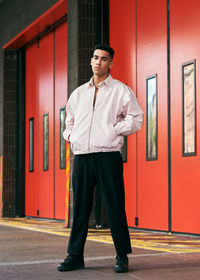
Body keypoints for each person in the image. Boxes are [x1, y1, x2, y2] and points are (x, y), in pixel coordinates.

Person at [57, 44, 144, 273]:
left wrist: (114, 130)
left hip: (108, 156)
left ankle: (122, 256)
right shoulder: (78, 93)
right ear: (91, 61)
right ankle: (74, 256)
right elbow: (69, 123)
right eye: (95, 57)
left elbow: (136, 118)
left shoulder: (120, 90)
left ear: (110, 64)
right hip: (83, 158)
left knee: (115, 206)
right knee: (81, 209)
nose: (98, 62)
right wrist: (71, 136)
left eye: (104, 59)